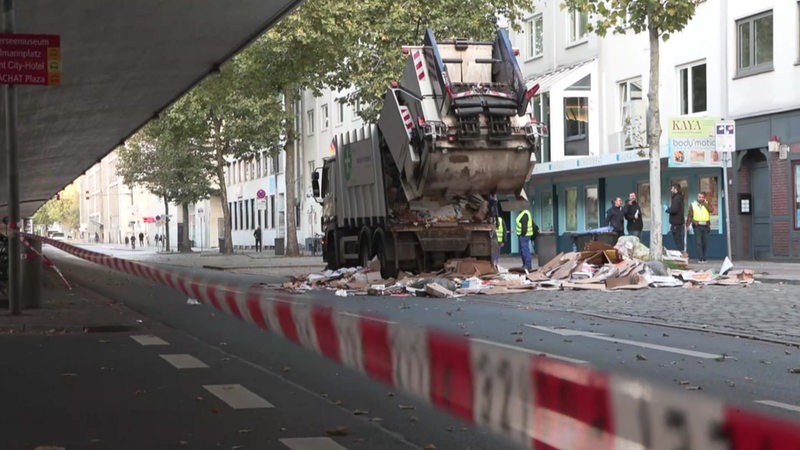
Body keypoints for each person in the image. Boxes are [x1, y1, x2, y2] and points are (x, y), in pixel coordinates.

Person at [686, 191, 711, 262]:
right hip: (697, 226)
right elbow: (690, 215)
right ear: (697, 197)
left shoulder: (706, 203)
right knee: (698, 242)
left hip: (706, 226)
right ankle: (700, 258)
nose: (701, 198)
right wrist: (688, 224)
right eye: (699, 197)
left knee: (705, 242)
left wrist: (706, 203)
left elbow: (711, 210)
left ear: (704, 198)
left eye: (702, 197)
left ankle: (704, 257)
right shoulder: (693, 204)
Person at [666, 184, 685, 251]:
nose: (671, 190)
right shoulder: (679, 197)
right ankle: (681, 253)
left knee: (677, 239)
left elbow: (674, 210)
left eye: (672, 189)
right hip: (678, 222)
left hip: (676, 223)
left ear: (675, 189)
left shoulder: (676, 198)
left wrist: (667, 209)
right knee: (678, 239)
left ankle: (681, 253)